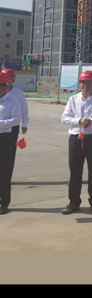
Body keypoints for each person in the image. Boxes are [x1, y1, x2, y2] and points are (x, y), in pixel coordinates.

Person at [60, 70, 92, 215]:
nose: (85, 85)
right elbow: (64, 118)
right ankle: (73, 202)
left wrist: (91, 121)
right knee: (75, 171)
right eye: (83, 82)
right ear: (79, 83)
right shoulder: (73, 99)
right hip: (76, 138)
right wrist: (79, 121)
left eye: (89, 82)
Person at [0, 72, 21, 215]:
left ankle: (4, 203)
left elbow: (16, 119)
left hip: (5, 139)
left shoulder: (12, 102)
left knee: (4, 172)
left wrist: (1, 124)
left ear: (4, 87)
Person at [2, 69, 29, 141]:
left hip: (13, 126)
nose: (6, 80)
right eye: (4, 77)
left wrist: (24, 124)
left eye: (8, 77)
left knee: (10, 146)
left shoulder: (19, 93)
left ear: (13, 80)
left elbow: (24, 109)